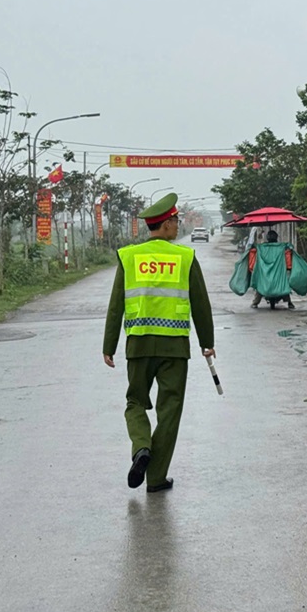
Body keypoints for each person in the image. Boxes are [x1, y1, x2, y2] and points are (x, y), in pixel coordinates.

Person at [103, 193, 215, 494]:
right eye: (176, 221)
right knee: (170, 409)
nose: (178, 226)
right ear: (165, 225)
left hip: (138, 344)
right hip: (174, 347)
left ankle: (141, 447)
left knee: (135, 402)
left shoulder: (129, 257)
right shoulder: (185, 257)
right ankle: (156, 478)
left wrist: (109, 345)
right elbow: (200, 304)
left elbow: (116, 306)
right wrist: (207, 342)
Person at [249, 230, 294, 309]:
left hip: (265, 274)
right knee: (284, 285)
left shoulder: (261, 247)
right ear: (276, 238)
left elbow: (254, 254)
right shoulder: (282, 247)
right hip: (278, 275)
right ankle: (289, 303)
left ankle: (255, 303)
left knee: (260, 286)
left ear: (267, 238)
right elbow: (288, 260)